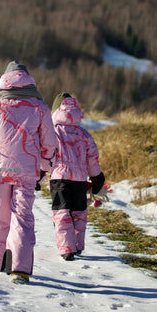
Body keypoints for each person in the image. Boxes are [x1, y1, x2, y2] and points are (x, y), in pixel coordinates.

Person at [0, 60, 57, 284]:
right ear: (29, 81)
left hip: (0, 170)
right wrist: (44, 168)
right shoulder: (39, 107)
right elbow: (50, 143)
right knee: (22, 217)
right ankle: (19, 269)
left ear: (5, 81)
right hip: (27, 170)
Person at [49, 92, 108, 260]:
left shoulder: (53, 133)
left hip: (60, 178)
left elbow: (46, 155)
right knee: (79, 211)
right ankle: (78, 245)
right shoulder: (84, 134)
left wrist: (38, 175)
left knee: (62, 212)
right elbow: (92, 159)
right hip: (80, 179)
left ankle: (67, 248)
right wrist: (97, 177)